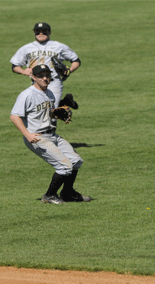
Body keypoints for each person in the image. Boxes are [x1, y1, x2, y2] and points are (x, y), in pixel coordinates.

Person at [10, 64, 91, 204]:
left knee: (76, 161)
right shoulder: (27, 94)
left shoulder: (50, 93)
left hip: (52, 135)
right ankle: (49, 195)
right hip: (37, 137)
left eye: (47, 75)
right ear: (33, 77)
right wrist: (28, 135)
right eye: (40, 76)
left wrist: (58, 114)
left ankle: (68, 193)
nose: (44, 78)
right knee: (64, 166)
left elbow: (48, 114)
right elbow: (14, 116)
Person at [10, 22, 81, 107]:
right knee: (39, 109)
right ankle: (64, 103)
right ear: (34, 33)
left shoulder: (59, 46)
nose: (41, 34)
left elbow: (76, 60)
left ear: (49, 32)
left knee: (50, 111)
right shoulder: (26, 48)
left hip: (53, 82)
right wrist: (23, 71)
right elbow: (15, 66)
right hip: (36, 83)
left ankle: (60, 105)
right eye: (38, 32)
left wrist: (69, 70)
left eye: (44, 31)